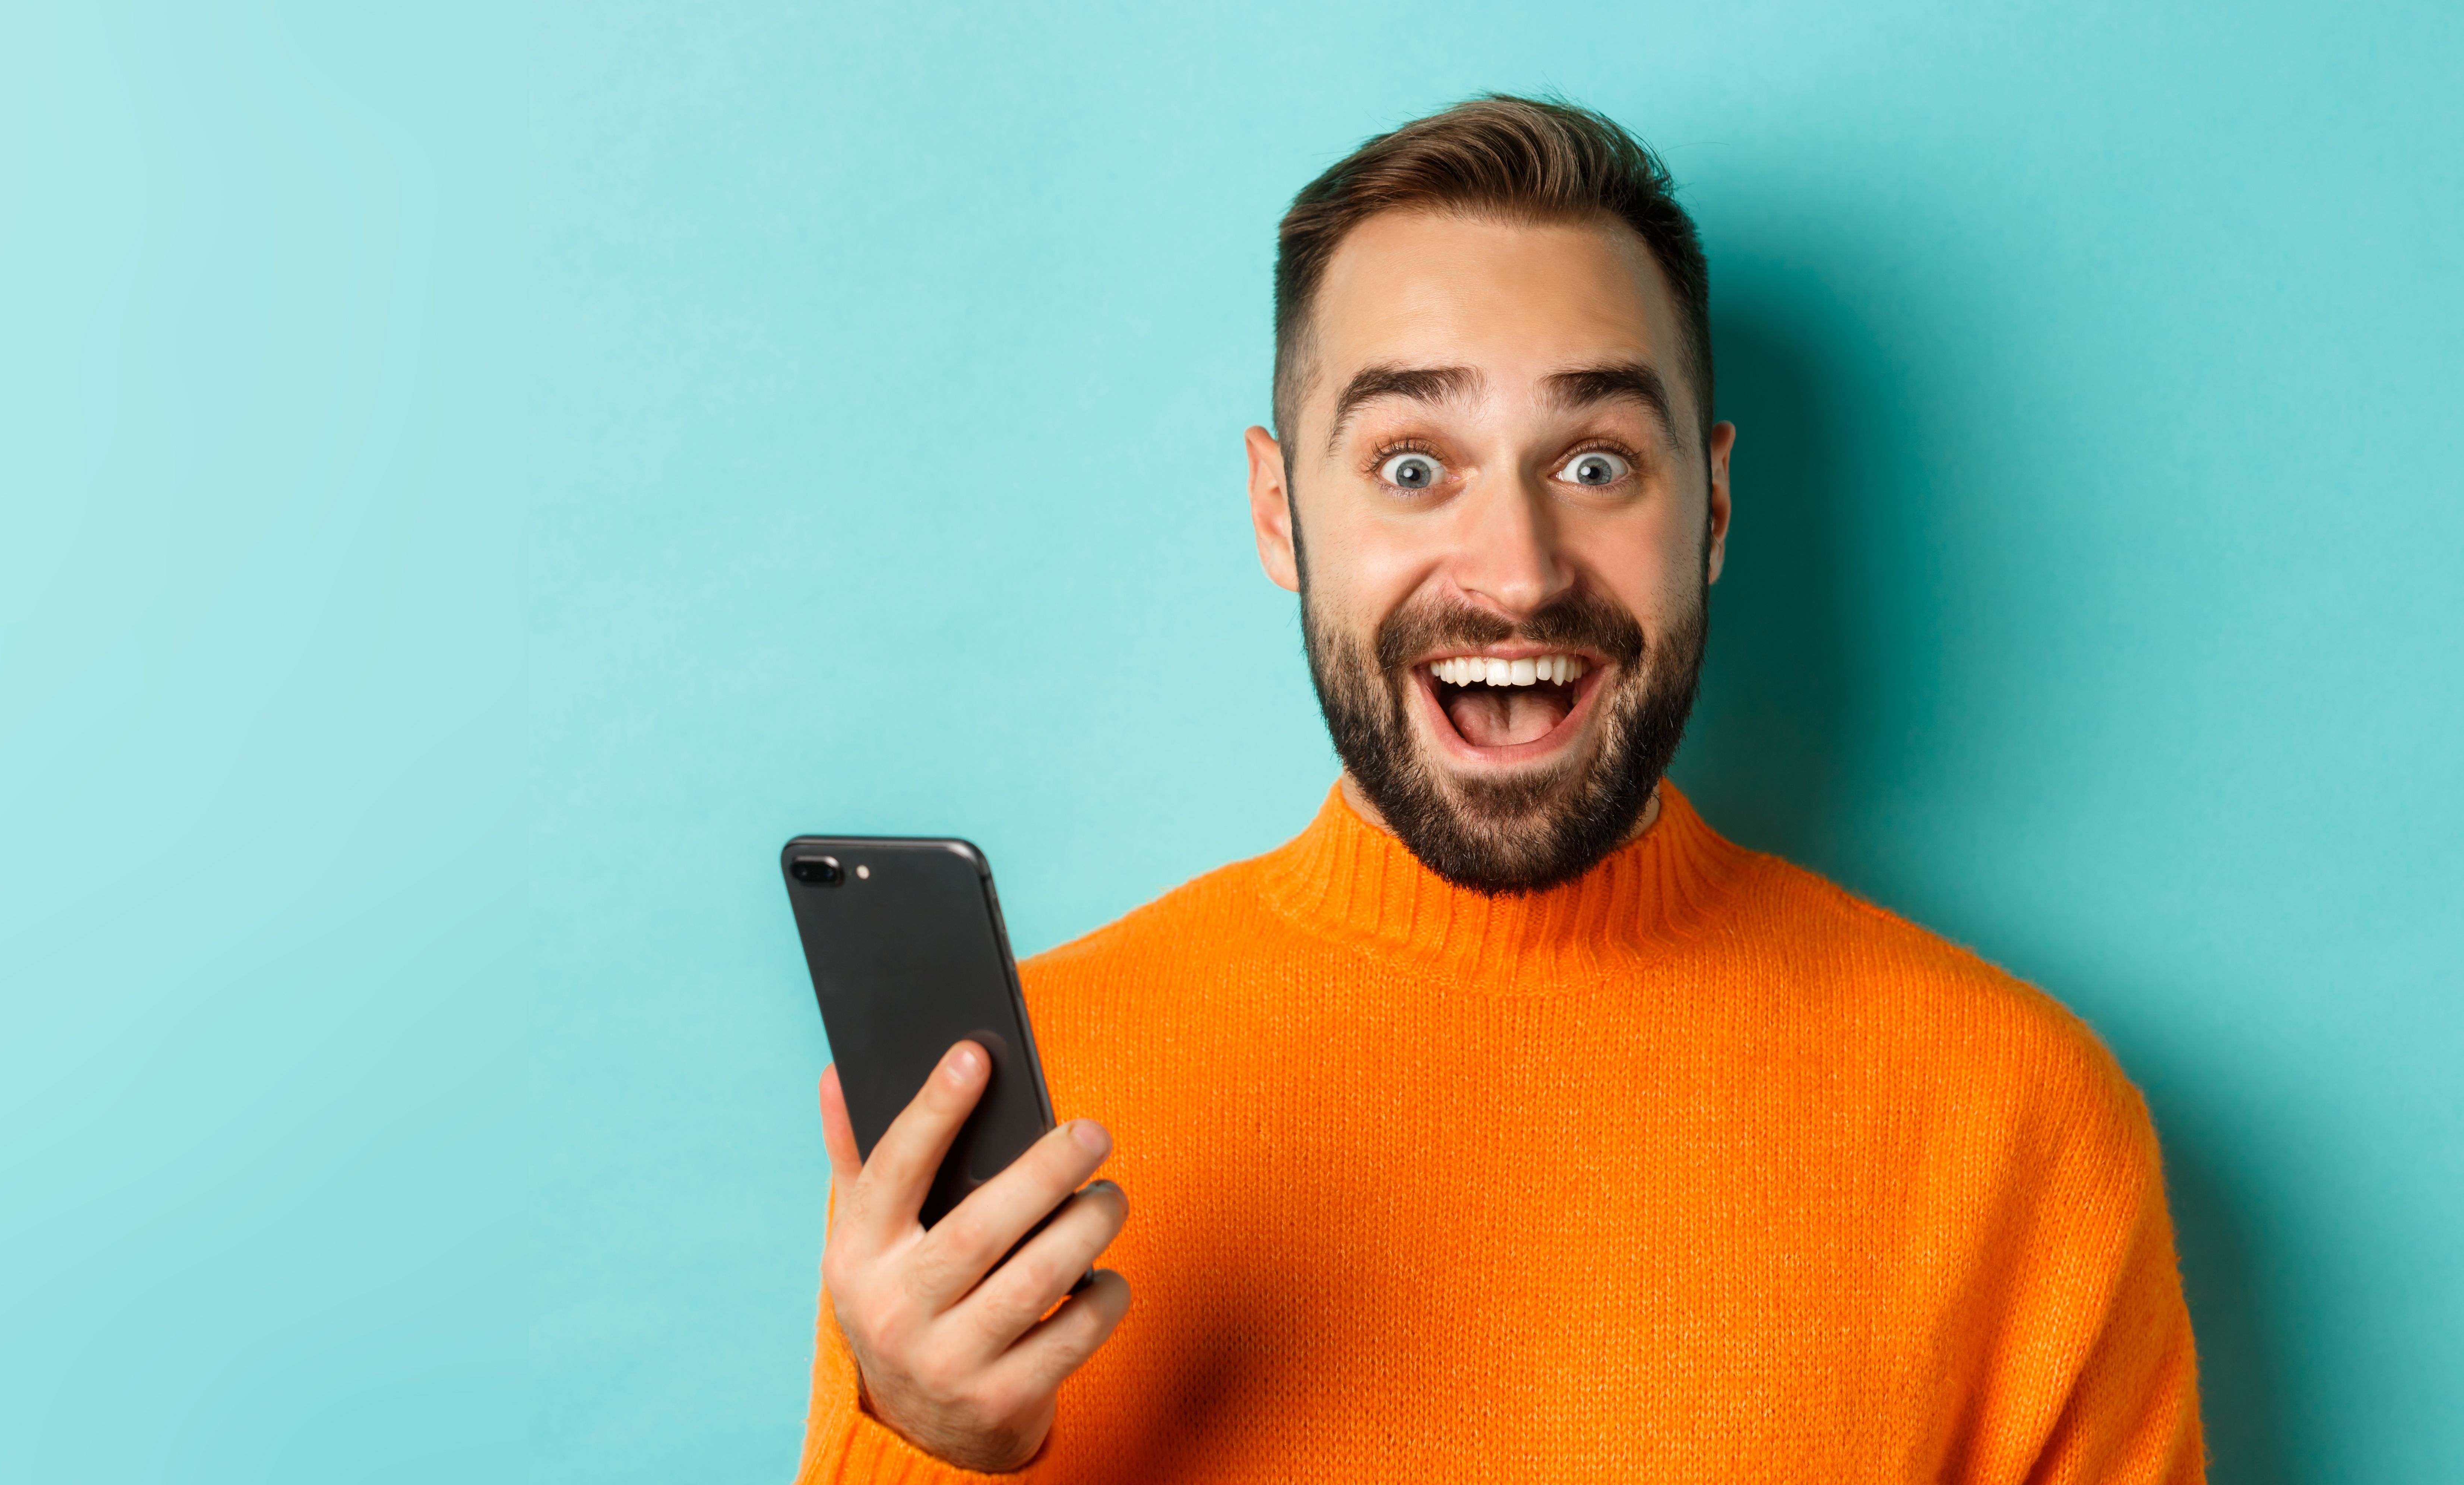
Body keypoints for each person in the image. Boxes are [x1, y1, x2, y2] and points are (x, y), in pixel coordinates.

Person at [796, 96, 2206, 1482]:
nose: (1517, 569)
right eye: (1412, 466)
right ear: (1280, 512)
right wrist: (931, 1451)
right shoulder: (1010, 1116)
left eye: (1594, 464)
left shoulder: (2018, 1122)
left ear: (1709, 510)